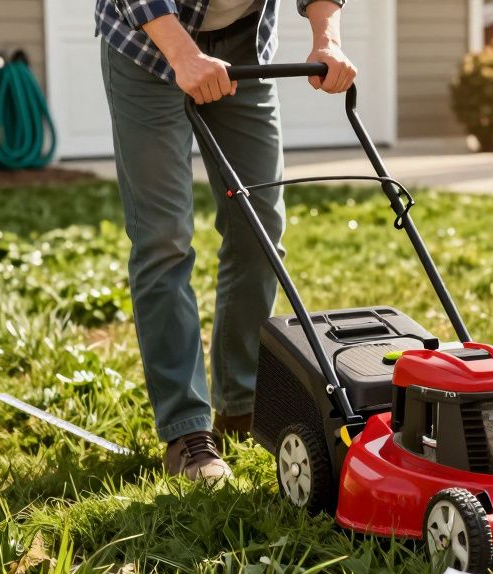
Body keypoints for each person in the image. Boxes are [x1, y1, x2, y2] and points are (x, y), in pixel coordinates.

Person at [97, 0, 357, 482]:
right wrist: (183, 55)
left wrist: (327, 38)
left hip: (242, 47)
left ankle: (242, 405)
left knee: (259, 231)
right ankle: (186, 431)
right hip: (148, 46)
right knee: (164, 238)